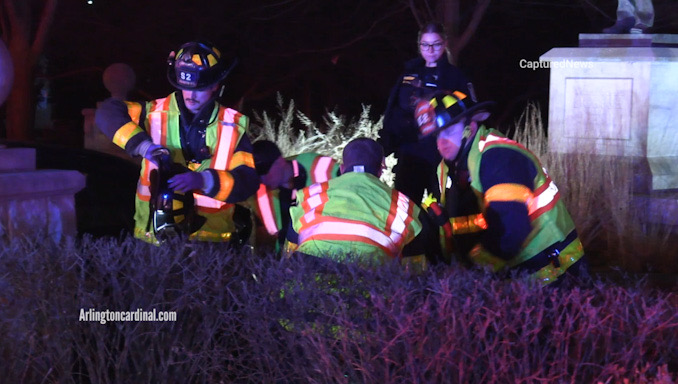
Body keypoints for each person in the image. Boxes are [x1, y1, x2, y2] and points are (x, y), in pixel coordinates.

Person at [95, 40, 259, 245]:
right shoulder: (152, 113)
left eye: (200, 88)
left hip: (211, 242)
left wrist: (204, 181)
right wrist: (143, 146)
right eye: (184, 87)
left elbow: (247, 182)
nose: (191, 95)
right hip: (154, 240)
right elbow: (107, 113)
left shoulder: (233, 127)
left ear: (215, 85)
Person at [415, 90, 586, 285]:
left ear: (470, 126)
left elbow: (511, 228)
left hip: (552, 272)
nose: (441, 142)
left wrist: (474, 274)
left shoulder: (499, 157)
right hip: (509, 274)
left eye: (448, 130)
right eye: (436, 136)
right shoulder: (447, 169)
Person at [287, 138, 436, 268]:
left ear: (342, 168)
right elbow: (414, 271)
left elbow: (288, 254)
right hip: (369, 291)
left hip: (307, 286)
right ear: (380, 170)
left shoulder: (312, 194)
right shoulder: (402, 205)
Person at [379, 22, 474, 204]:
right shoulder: (408, 75)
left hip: (441, 157)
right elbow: (393, 113)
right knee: (405, 209)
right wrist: (384, 145)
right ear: (419, 46)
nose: (430, 50)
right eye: (425, 44)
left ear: (444, 44)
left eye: (436, 44)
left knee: (444, 209)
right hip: (409, 154)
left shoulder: (456, 77)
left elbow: (469, 114)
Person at [251, 139, 341, 251]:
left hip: (329, 250)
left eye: (265, 172)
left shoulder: (320, 168)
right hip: (291, 262)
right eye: (258, 176)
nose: (263, 179)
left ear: (279, 161)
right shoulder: (263, 197)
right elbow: (271, 238)